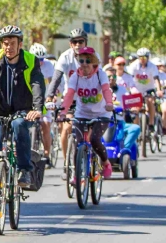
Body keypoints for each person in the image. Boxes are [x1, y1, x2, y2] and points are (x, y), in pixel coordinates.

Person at [0, 25, 45, 220]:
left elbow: (37, 84)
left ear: (20, 44)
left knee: (19, 125)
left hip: (22, 111)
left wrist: (37, 108)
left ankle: (24, 170)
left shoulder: (30, 60)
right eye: (5, 43)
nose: (8, 47)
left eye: (12, 43)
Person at [58, 47, 114, 179]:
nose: (84, 64)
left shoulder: (100, 74)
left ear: (94, 62)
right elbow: (69, 95)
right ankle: (77, 176)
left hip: (101, 114)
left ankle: (105, 163)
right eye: (81, 61)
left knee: (94, 139)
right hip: (82, 114)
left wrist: (109, 103)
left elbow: (106, 90)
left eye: (88, 61)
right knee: (78, 143)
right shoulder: (75, 77)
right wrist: (63, 112)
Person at [46, 29, 88, 168]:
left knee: (92, 131)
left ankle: (93, 160)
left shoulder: (93, 56)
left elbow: (100, 78)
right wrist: (50, 96)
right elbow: (56, 78)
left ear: (85, 43)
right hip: (71, 100)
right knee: (66, 128)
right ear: (70, 44)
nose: (78, 44)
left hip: (89, 99)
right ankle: (66, 163)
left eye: (81, 41)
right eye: (74, 42)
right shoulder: (65, 57)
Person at [127, 47, 163, 132]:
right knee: (135, 109)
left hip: (149, 89)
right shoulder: (134, 65)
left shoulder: (152, 66)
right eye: (140, 57)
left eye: (144, 57)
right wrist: (128, 90)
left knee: (150, 101)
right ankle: (136, 128)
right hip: (137, 89)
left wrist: (159, 90)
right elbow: (129, 78)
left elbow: (156, 79)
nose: (142, 60)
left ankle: (151, 123)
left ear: (148, 58)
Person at [30, 43, 55, 163]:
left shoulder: (48, 65)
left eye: (42, 59)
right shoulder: (27, 64)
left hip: (44, 99)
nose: (40, 62)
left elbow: (52, 83)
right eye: (37, 59)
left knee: (45, 124)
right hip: (30, 99)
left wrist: (51, 97)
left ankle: (46, 154)